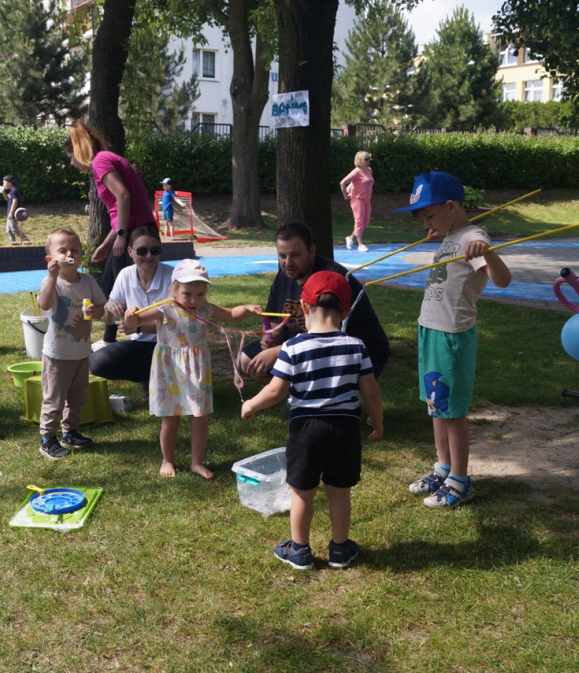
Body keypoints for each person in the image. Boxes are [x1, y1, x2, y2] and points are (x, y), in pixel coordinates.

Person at [242, 271, 384, 570]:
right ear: (345, 312)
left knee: (302, 492)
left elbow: (276, 390)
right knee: (339, 491)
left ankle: (300, 551)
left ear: (304, 308)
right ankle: (340, 550)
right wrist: (377, 420)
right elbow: (370, 390)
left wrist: (252, 404)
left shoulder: (293, 347)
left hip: (306, 430)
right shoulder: (356, 346)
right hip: (344, 429)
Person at [393, 172, 511, 508]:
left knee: (452, 409)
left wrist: (487, 253)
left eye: (429, 215)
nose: (425, 224)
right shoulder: (453, 234)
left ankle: (460, 479)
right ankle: (444, 468)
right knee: (436, 404)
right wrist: (442, 234)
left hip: (452, 336)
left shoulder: (474, 238)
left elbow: (503, 281)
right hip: (430, 329)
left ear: (450, 206)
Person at [123, 259, 261, 479]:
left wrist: (247, 309)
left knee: (200, 417)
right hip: (169, 370)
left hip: (196, 370)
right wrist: (130, 317)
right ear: (175, 289)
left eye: (200, 294)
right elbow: (133, 324)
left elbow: (231, 314)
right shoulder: (165, 308)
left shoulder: (205, 308)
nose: (194, 299)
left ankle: (197, 462)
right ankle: (167, 459)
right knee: (171, 418)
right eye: (187, 293)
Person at [239, 222, 390, 382]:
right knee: (248, 360)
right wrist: (271, 337)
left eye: (295, 255)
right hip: (301, 346)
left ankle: (311, 395)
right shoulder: (285, 275)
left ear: (311, 251)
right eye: (282, 256)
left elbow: (327, 337)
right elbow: (273, 320)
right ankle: (297, 392)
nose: (288, 263)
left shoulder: (330, 279)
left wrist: (278, 351)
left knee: (297, 362)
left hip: (349, 349)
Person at [62, 121, 156, 347]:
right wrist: (107, 243)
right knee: (110, 283)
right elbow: (120, 210)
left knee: (117, 286)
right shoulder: (104, 160)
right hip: (132, 229)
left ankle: (123, 338)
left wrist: (123, 235)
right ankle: (109, 338)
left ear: (79, 150)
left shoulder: (101, 161)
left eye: (71, 157)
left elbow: (123, 196)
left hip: (137, 233)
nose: (72, 163)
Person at [36, 228, 107, 460]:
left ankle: (70, 432)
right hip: (57, 353)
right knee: (54, 398)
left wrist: (96, 311)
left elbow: (102, 309)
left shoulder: (87, 281)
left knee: (78, 398)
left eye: (74, 250)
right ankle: (47, 439)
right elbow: (44, 305)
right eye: (63, 250)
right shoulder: (52, 282)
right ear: (51, 259)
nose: (70, 254)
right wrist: (51, 277)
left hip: (81, 351)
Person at [89, 224, 174, 388]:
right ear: (130, 252)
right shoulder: (125, 274)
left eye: (155, 251)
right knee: (98, 362)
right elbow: (109, 317)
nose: (149, 256)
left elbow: (175, 324)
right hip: (141, 345)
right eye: (142, 251)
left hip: (173, 345)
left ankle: (154, 381)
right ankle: (148, 379)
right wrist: (104, 309)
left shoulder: (173, 276)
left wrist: (138, 327)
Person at [340, 150, 374, 251]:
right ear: (360, 160)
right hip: (357, 199)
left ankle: (350, 238)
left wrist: (350, 187)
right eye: (366, 159)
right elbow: (342, 182)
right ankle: (360, 244)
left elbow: (354, 183)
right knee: (359, 221)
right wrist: (346, 195)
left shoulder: (369, 170)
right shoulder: (356, 171)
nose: (368, 161)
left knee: (365, 223)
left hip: (367, 199)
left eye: (369, 158)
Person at [0, 174, 28, 244]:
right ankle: (13, 243)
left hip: (13, 214)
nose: (3, 184)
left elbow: (15, 201)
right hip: (10, 214)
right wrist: (3, 192)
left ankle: (27, 240)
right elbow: (7, 198)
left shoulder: (14, 191)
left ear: (10, 183)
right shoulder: (12, 191)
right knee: (8, 230)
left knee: (14, 229)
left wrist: (11, 213)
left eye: (4, 183)